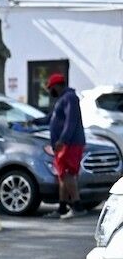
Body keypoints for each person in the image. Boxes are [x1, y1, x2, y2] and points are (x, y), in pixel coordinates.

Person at [45, 73, 87, 219]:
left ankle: (77, 206)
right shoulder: (62, 99)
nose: (50, 92)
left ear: (56, 86)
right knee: (62, 175)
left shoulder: (70, 98)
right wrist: (32, 122)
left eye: (50, 88)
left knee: (68, 174)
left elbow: (71, 121)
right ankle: (62, 207)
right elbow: (50, 118)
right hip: (65, 144)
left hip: (70, 144)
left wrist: (63, 140)